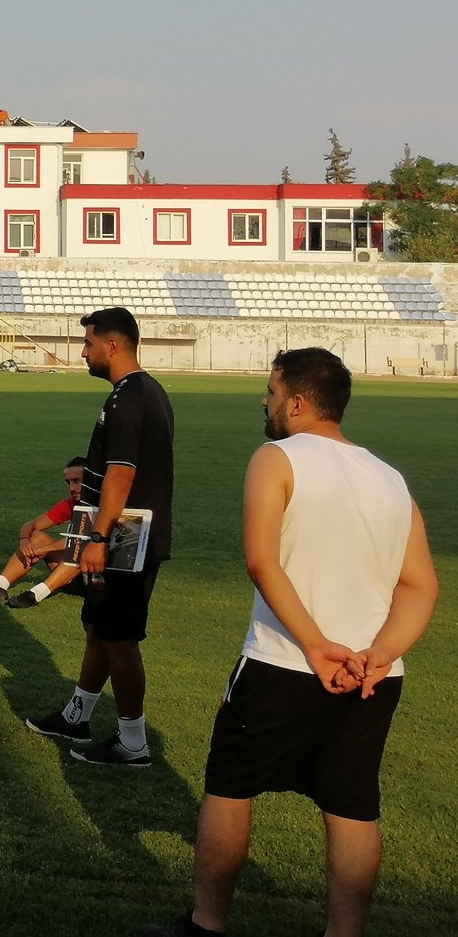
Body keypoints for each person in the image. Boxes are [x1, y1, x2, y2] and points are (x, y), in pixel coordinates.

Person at [147, 349, 438, 937]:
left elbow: (262, 560)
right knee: (352, 805)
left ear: (298, 402)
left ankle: (206, 925)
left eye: (272, 391)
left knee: (230, 787)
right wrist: (381, 653)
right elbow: (420, 584)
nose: (265, 401)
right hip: (371, 676)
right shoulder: (390, 477)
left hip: (284, 661)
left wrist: (313, 645)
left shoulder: (276, 456)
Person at [25, 307, 176, 767]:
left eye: (88, 343)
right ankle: (77, 714)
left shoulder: (130, 397)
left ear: (113, 345)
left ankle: (133, 742)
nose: (83, 351)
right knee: (98, 626)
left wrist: (98, 537)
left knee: (119, 637)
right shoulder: (137, 392)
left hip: (126, 536)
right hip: (118, 531)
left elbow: (120, 477)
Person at [0, 458, 87, 607]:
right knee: (37, 537)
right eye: (68, 482)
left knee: (81, 550)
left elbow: (83, 541)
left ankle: (36, 594)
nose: (72, 488)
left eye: (77, 481)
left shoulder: (106, 505)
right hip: (71, 578)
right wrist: (25, 542)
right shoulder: (71, 503)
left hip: (96, 580)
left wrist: (45, 550)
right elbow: (30, 525)